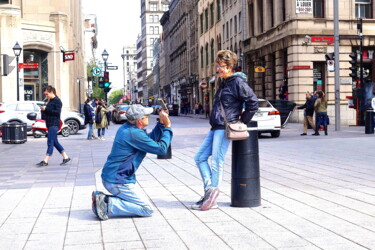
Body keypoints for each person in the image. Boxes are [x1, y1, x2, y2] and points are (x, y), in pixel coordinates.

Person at [192, 50, 258, 211]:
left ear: (229, 67)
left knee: (217, 161)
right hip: (216, 126)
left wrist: (242, 120)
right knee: (199, 157)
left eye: (220, 66)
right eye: (217, 66)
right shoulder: (224, 82)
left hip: (224, 127)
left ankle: (212, 198)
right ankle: (210, 191)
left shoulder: (237, 83)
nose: (218, 69)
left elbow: (253, 102)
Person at [91, 104, 172, 220]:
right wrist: (167, 126)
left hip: (114, 177)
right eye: (146, 115)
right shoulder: (133, 133)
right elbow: (161, 149)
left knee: (138, 204)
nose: (149, 116)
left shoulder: (129, 129)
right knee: (147, 209)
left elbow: (149, 140)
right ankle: (106, 203)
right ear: (139, 120)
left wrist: (160, 124)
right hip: (117, 181)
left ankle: (104, 200)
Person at [36, 85, 71, 167]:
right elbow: (45, 115)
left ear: (51, 92)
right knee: (54, 142)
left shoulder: (57, 101)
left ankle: (46, 160)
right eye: (45, 94)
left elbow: (57, 112)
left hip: (54, 124)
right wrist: (43, 109)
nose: (46, 96)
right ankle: (66, 157)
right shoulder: (50, 101)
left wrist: (46, 109)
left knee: (50, 142)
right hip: (49, 124)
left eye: (47, 94)